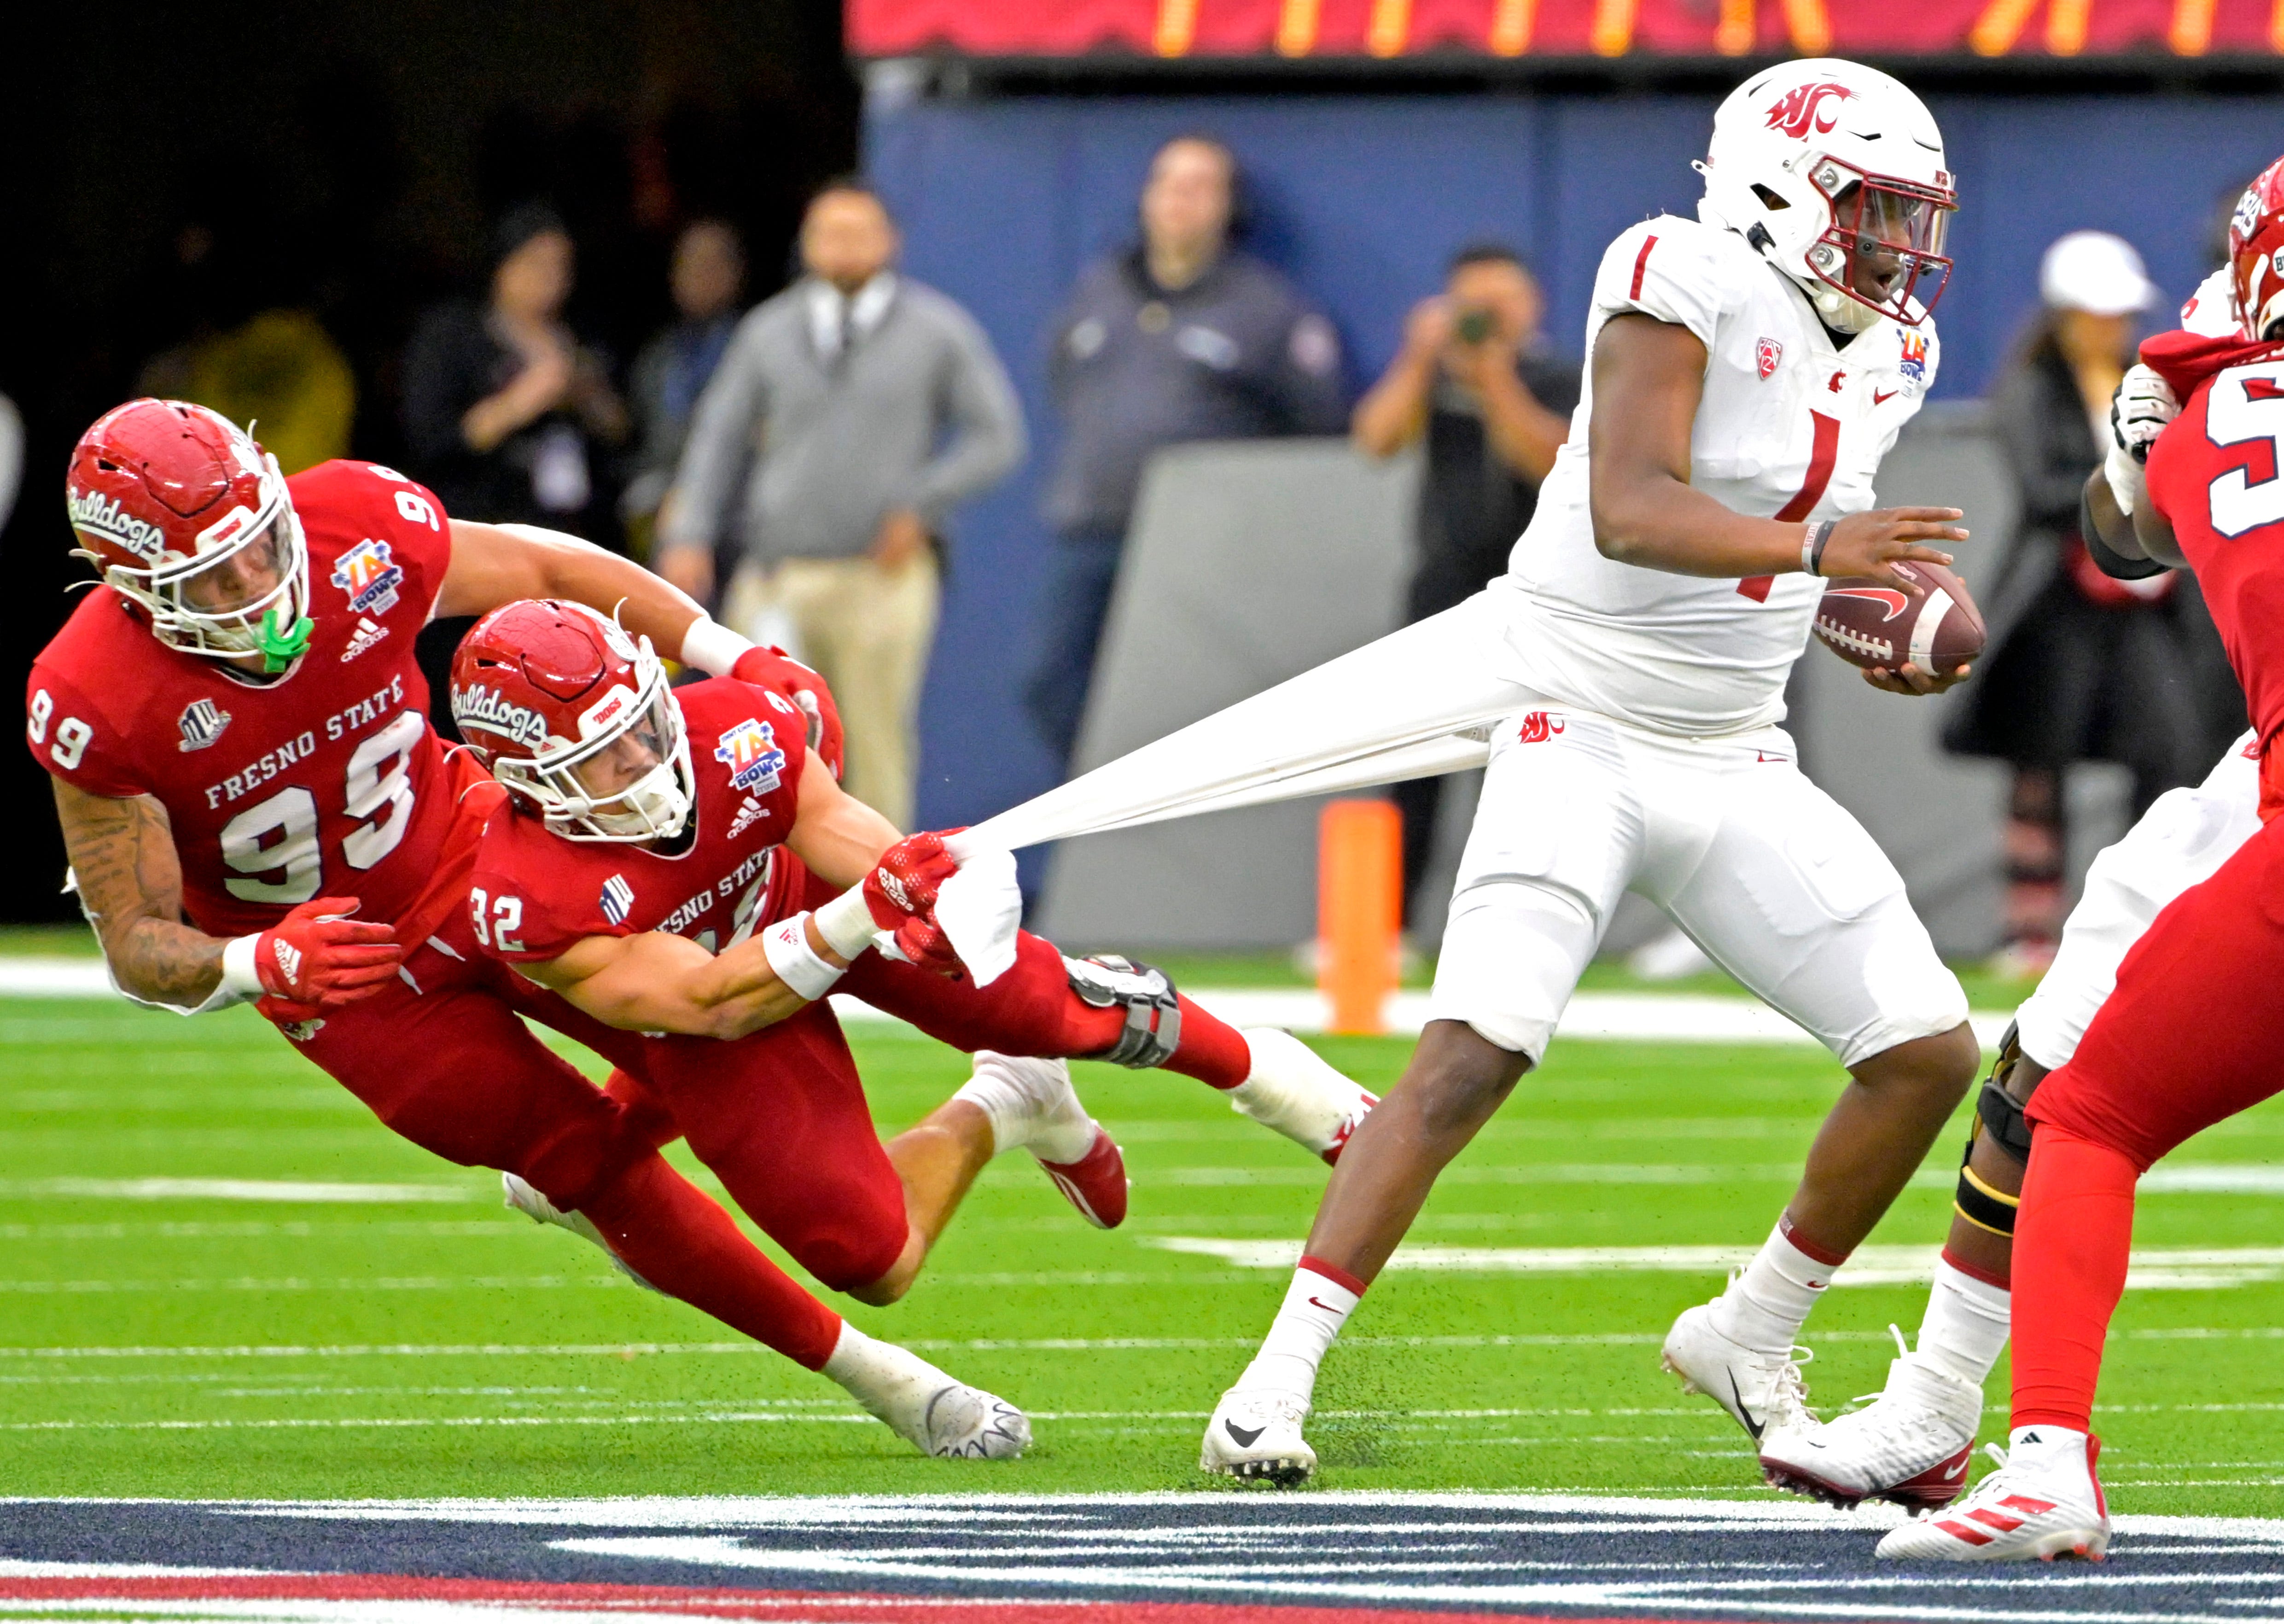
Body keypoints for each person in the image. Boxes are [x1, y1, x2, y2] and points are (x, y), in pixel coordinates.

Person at [1192, 58, 1984, 1488]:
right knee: (1473, 1053)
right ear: (1774, 188)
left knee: (1928, 1049)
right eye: (1870, 209)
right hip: (1583, 720)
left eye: (1908, 216)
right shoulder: (1677, 267)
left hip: (1736, 744)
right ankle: (1274, 1373)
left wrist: (1875, 628)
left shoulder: (1891, 350)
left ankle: (1751, 1326)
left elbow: (1802, 549)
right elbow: (1628, 505)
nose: (1897, 247)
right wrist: (1822, 558)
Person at [26, 397, 1037, 1461]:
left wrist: (729, 653)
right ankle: (883, 1378)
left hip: (485, 860)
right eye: (211, 578)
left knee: (724, 1037)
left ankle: (1027, 1049)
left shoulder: (349, 527)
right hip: (349, 978)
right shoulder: (92, 699)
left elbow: (545, 572)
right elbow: (137, 945)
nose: (259, 584)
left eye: (262, 541)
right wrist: (251, 958)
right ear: (131, 590)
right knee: (583, 1166)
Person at [1755, 262, 2255, 1513]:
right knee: (2047, 1076)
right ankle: (1938, 1400)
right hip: (2256, 767)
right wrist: (2137, 462)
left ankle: (2017, 1448)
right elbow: (2122, 531)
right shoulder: (2226, 348)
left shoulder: (2228, 358)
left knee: (2089, 1105)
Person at [1875, 156, 2284, 1562]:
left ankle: (2046, 1452)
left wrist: (2138, 436)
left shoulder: (2204, 397)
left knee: (2088, 1111)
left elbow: (2129, 534)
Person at [657, 182, 1024, 832]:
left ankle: (883, 910)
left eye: (859, 232)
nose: (843, 247)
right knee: (757, 746)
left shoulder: (936, 329)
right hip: (780, 571)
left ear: (890, 242)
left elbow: (998, 437)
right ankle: (766, 905)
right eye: (829, 232)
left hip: (878, 577)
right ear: (807, 243)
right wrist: (691, 532)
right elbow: (718, 436)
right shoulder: (769, 330)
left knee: (876, 747)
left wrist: (923, 503)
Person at [1941, 231, 2243, 978]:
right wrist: (2112, 502)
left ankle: (2147, 918)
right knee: (2041, 765)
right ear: (2068, 313)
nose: (2115, 327)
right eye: (2100, 313)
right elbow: (2046, 486)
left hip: (2139, 611)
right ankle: (2031, 929)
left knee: (2167, 752)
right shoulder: (2034, 386)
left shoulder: (2141, 380)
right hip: (2055, 608)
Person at [1029, 135, 1346, 774]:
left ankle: (1174, 823)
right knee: (1050, 681)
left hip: (1203, 540)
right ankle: (1111, 801)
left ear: (1230, 208)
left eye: (1200, 185)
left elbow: (1318, 423)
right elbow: (1063, 381)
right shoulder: (1099, 290)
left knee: (1182, 696)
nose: (1180, 198)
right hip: (1093, 527)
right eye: (1168, 182)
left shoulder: (1266, 308)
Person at [1352, 242, 1580, 926]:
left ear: (1531, 305)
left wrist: (1495, 379)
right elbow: (1376, 439)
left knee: (1523, 766)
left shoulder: (1559, 376)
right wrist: (1420, 358)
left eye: (1500, 300)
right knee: (1414, 761)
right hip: (1442, 586)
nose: (1485, 317)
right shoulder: (1433, 379)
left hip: (1535, 594)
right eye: (1470, 304)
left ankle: (1512, 919)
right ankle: (1385, 928)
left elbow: (1550, 462)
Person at [400, 204, 629, 536]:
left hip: (575, 525)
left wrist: (585, 393)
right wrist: (520, 402)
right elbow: (433, 440)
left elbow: (624, 432)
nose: (551, 278)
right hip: (486, 521)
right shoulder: (454, 335)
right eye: (536, 264)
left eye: (561, 265)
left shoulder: (582, 336)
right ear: (502, 266)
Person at [622, 220, 746, 564]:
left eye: (712, 265)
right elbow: (639, 440)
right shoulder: (657, 356)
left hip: (737, 519)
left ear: (736, 273)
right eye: (689, 265)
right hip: (663, 518)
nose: (700, 277)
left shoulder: (755, 348)